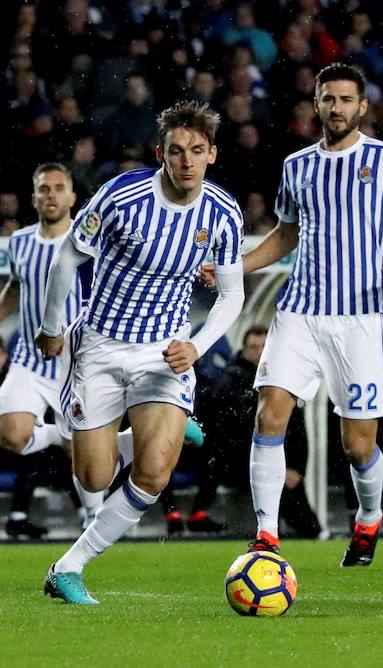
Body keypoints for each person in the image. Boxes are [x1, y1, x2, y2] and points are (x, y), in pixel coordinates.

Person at [208, 63, 383, 566]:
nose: (337, 107)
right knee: (270, 412)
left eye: (347, 99)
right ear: (317, 104)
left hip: (363, 318)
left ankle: (368, 519)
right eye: (328, 99)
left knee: (357, 444)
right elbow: (286, 235)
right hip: (301, 311)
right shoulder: (297, 166)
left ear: (362, 107)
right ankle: (266, 536)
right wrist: (234, 266)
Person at [36, 101, 245, 604]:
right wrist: (50, 328)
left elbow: (232, 294)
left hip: (165, 352)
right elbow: (68, 255)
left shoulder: (223, 214)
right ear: (161, 154)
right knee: (96, 475)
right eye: (177, 151)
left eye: (197, 150)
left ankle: (69, 567)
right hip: (101, 347)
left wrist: (196, 345)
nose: (187, 161)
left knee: (154, 472)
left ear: (212, 154)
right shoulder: (120, 196)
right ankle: (143, 435)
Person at [0, 163, 101, 537]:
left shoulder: (87, 242)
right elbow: (15, 290)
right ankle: (58, 435)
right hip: (29, 357)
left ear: (72, 197)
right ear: (34, 197)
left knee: (85, 456)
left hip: (76, 362)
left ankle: (93, 519)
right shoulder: (20, 242)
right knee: (10, 433)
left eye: (59, 188)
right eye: (44, 189)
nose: (51, 195)